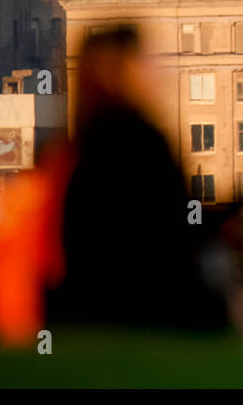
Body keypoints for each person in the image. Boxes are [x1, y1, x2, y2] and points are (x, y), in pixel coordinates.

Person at [46, 25, 232, 331]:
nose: (155, 69)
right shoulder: (140, 140)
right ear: (118, 71)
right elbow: (178, 228)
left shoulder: (81, 145)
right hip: (154, 306)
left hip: (90, 309)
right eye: (144, 59)